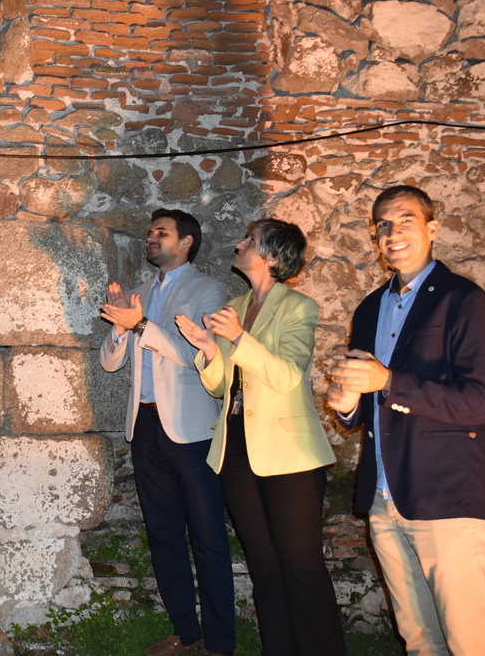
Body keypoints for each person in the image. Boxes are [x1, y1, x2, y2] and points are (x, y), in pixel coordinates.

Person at [329, 185, 485, 656]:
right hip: (387, 499)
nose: (392, 232)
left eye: (405, 220)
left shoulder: (463, 300)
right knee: (421, 642)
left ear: (432, 228)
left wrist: (388, 380)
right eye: (383, 224)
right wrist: (346, 402)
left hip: (449, 496)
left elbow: (483, 401)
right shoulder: (369, 307)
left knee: (471, 643)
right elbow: (366, 409)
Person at [176, 219, 345, 656]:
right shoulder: (236, 304)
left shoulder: (298, 307)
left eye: (249, 240)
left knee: (302, 565)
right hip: (235, 449)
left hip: (289, 455)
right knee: (264, 565)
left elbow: (287, 376)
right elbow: (221, 387)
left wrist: (238, 337)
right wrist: (210, 349)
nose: (238, 243)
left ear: (272, 256)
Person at [99, 209, 234, 656]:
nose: (151, 238)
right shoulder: (138, 293)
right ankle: (186, 633)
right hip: (146, 425)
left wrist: (140, 324)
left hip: (193, 431)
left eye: (162, 233)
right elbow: (110, 362)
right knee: (163, 535)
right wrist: (120, 330)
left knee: (209, 538)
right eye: (151, 232)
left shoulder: (209, 289)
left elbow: (191, 352)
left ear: (187, 242)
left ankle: (219, 643)